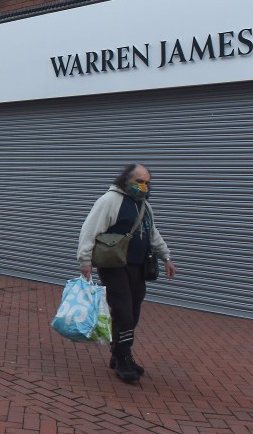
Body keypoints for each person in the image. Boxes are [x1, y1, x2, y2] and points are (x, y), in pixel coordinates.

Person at [77, 164, 177, 383]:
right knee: (123, 312)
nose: (144, 186)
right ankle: (123, 359)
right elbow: (89, 229)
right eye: (139, 181)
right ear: (126, 180)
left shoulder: (143, 205)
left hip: (138, 267)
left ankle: (120, 353)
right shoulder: (109, 201)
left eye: (147, 183)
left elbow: (152, 233)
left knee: (133, 311)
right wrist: (85, 260)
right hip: (114, 265)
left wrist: (166, 257)